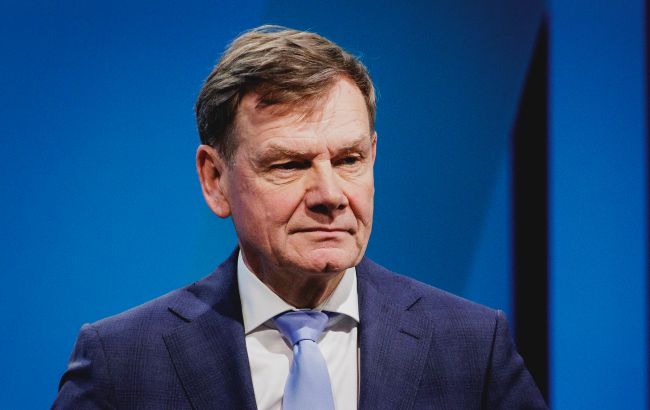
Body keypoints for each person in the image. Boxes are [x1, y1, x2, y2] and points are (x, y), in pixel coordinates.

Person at [53, 25, 547, 409]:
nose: (330, 195)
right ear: (215, 179)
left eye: (349, 160)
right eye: (289, 165)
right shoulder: (122, 363)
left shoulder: (472, 347)